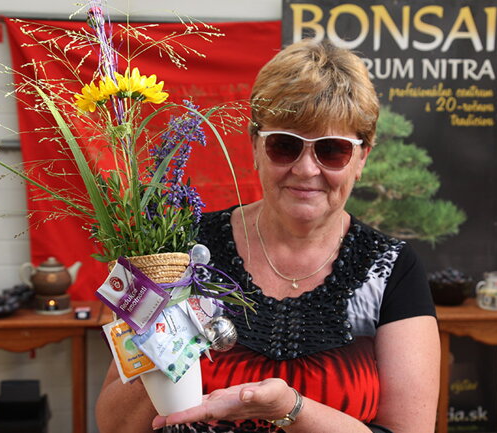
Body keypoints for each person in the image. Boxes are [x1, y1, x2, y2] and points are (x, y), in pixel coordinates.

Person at [96, 38, 439, 433]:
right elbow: (115, 426)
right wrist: (164, 328)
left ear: (362, 158)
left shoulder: (391, 269)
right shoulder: (182, 250)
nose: (306, 169)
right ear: (256, 146)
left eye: (331, 150)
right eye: (284, 146)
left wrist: (291, 409)